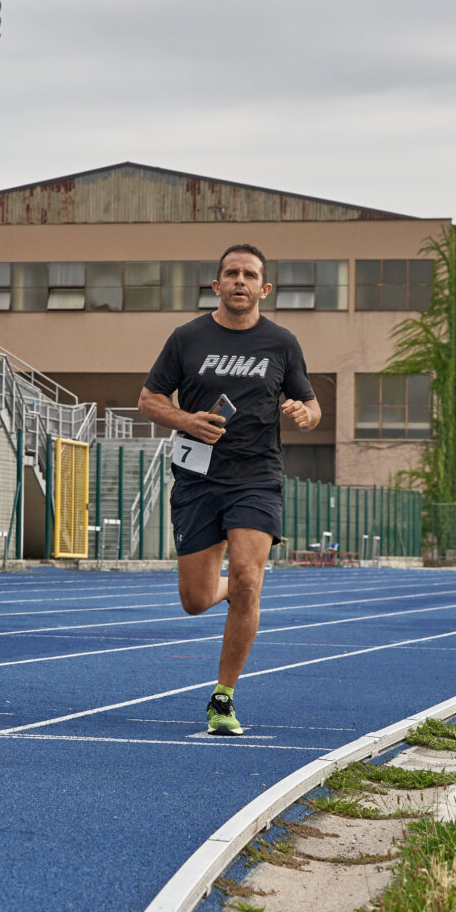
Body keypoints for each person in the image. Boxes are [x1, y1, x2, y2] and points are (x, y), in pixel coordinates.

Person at [138, 245, 321, 735]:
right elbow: (150, 398)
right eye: (231, 273)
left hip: (257, 477)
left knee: (247, 578)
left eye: (250, 275)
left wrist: (306, 414)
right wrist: (185, 419)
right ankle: (231, 591)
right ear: (216, 285)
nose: (240, 280)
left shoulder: (281, 343)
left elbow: (310, 402)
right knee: (196, 601)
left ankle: (223, 696)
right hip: (198, 478)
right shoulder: (187, 338)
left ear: (264, 289)